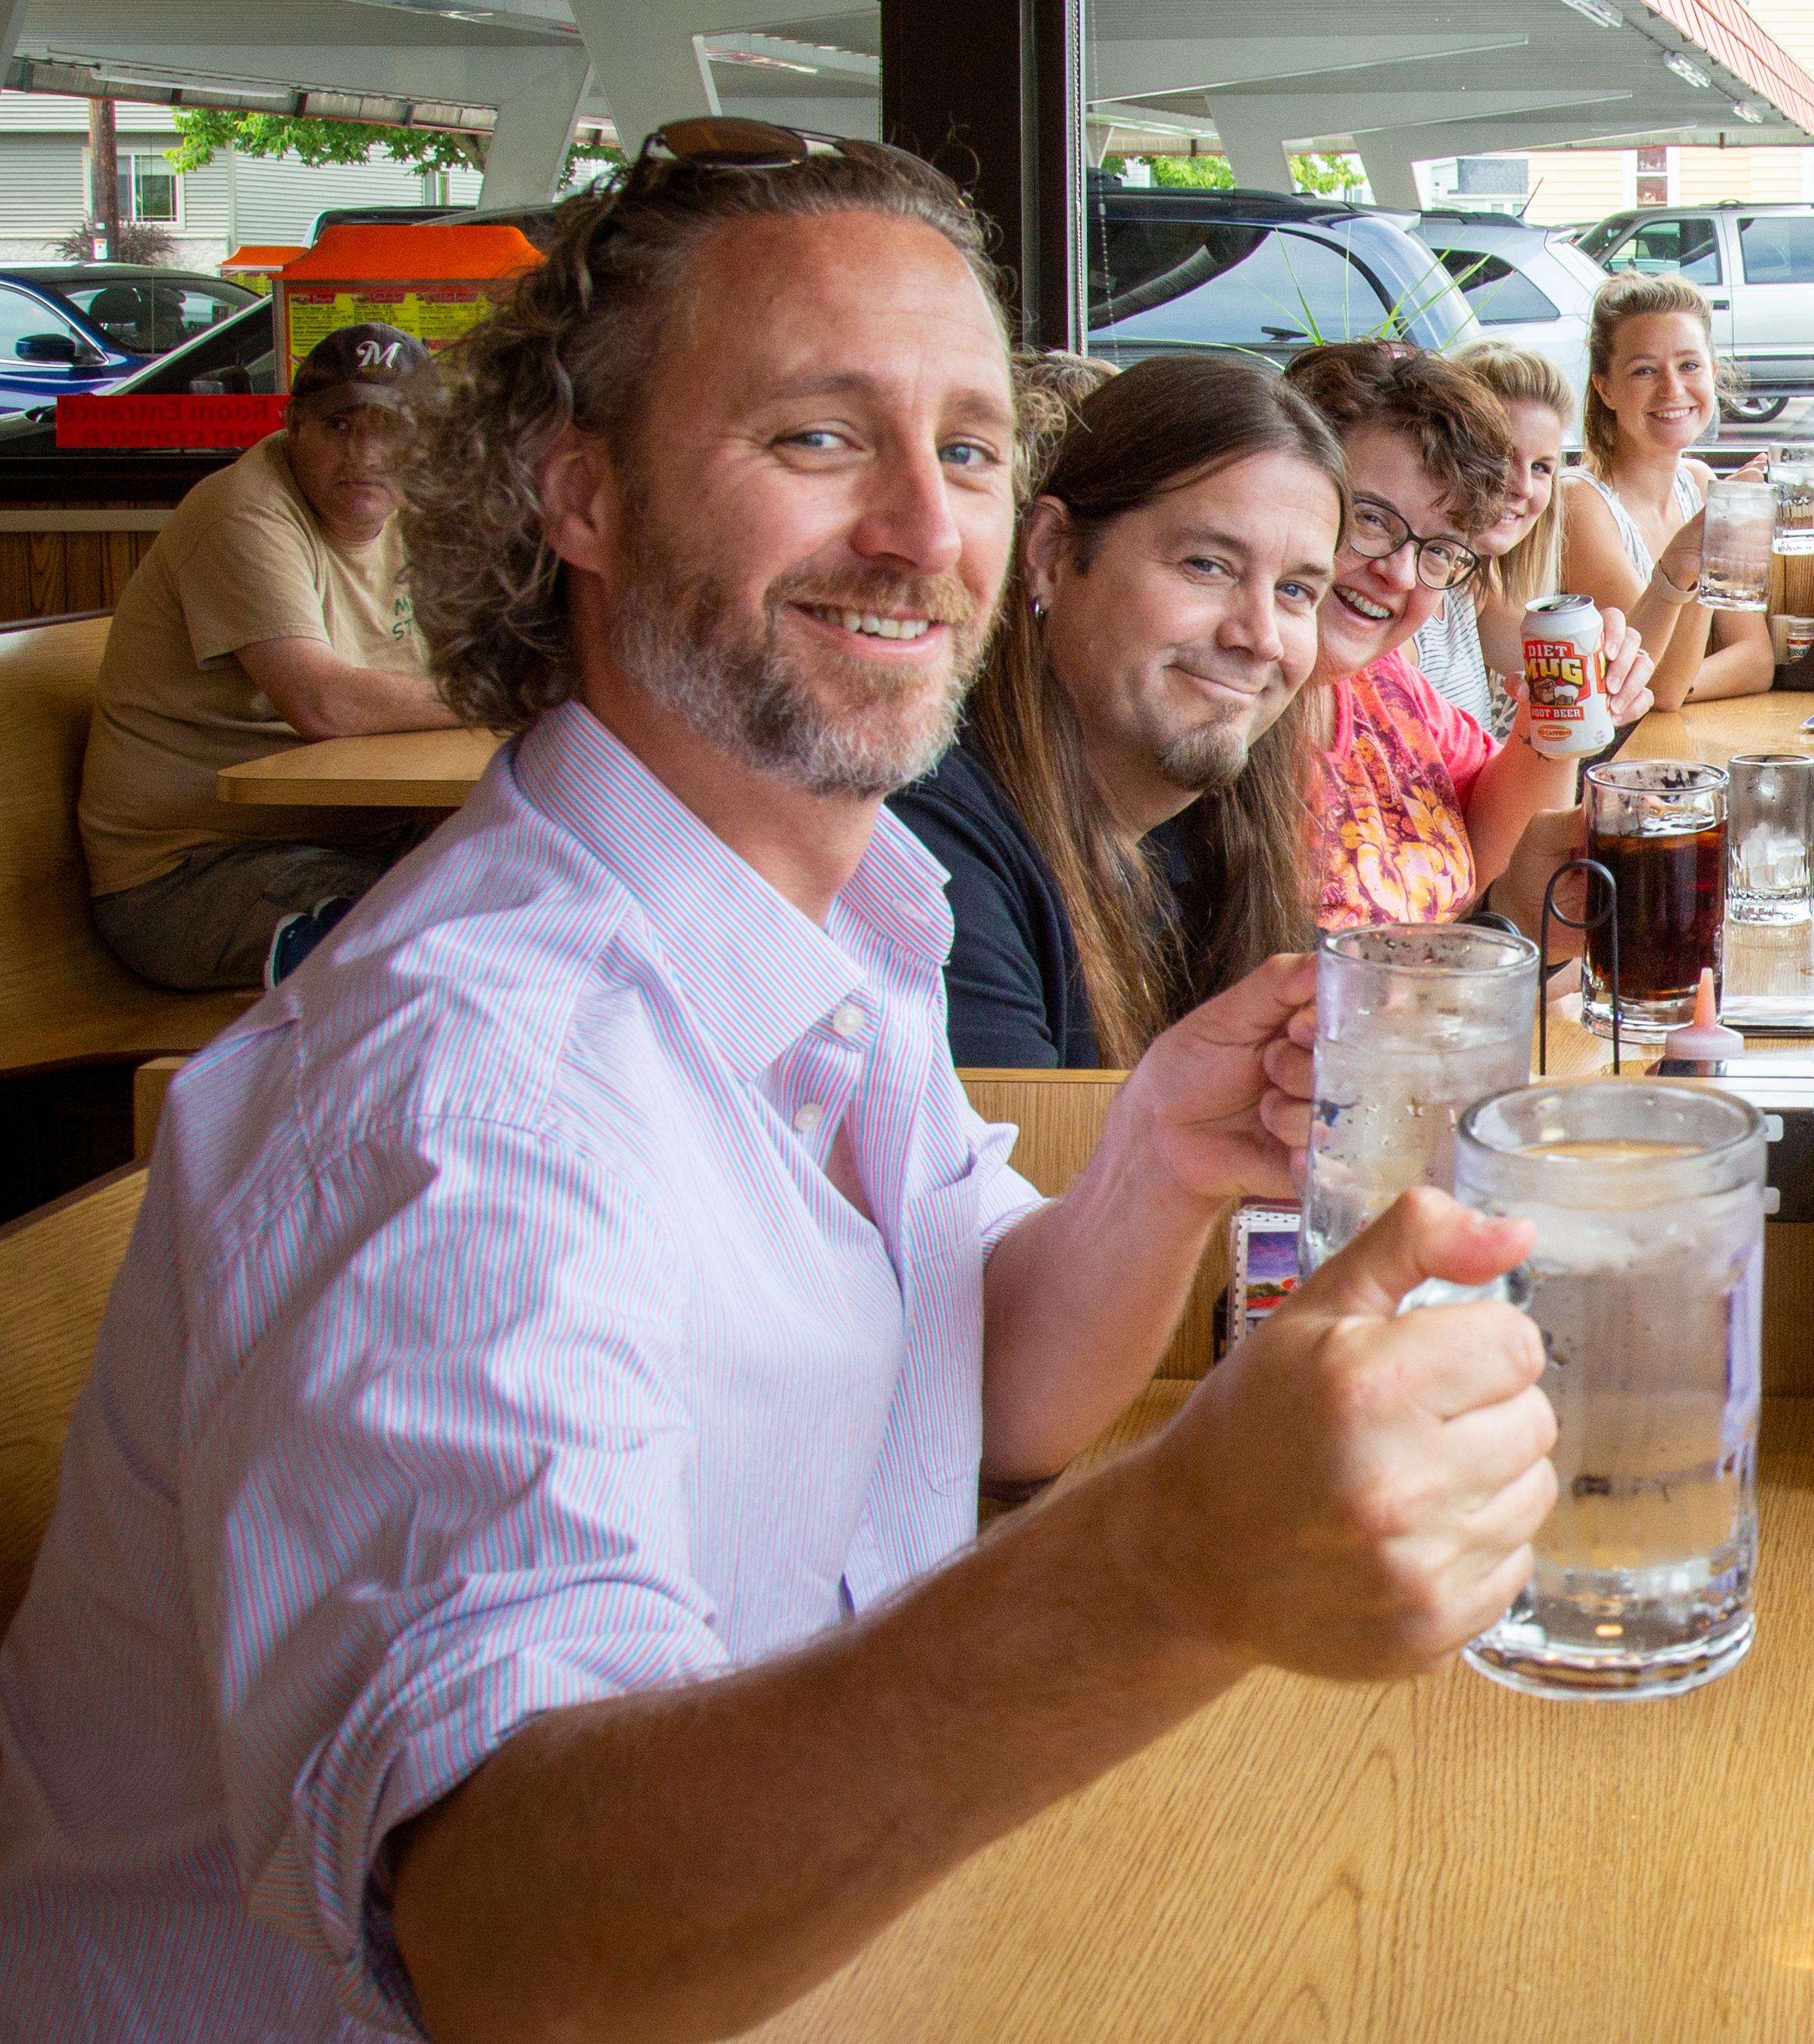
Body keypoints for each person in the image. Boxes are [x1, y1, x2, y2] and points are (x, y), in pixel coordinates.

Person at [0, 129, 1560, 2039]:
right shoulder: (465, 1092)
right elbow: (513, 1943)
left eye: (970, 449)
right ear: (575, 490)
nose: (925, 531)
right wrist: (1161, 1572)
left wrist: (1154, 1146)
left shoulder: (825, 921)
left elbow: (984, 1388)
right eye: (819, 440)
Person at [889, 355, 1339, 1067]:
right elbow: (1029, 1169)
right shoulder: (930, 848)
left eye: (1295, 592)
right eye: (1207, 565)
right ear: (1051, 555)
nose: (1259, 638)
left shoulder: (1208, 839)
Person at [78, 321, 461, 989]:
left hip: (343, 838)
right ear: (294, 427)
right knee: (418, 950)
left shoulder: (416, 516)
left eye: (393, 428)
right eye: (339, 425)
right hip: (188, 875)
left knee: (532, 887)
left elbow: (480, 648)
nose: (366, 454)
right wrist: (503, 693)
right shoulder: (244, 511)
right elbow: (324, 703)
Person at [1280, 337, 1647, 933]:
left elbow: (1496, 855)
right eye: (1371, 518)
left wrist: (1550, 723)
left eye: (1439, 549)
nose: (1399, 572)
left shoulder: (1385, 683)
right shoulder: (1225, 720)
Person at [1556, 270, 1769, 712]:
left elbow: (1755, 660)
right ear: (1606, 388)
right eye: (1645, 370)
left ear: (1711, 373)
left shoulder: (1697, 482)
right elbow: (1650, 687)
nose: (1672, 389)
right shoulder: (1580, 503)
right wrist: (1672, 685)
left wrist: (1678, 683)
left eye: (1688, 366)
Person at [1424, 340, 1578, 745]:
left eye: (1542, 468)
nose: (1523, 487)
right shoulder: (1401, 597)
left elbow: (1578, 681)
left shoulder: (1469, 583)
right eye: (1501, 457)